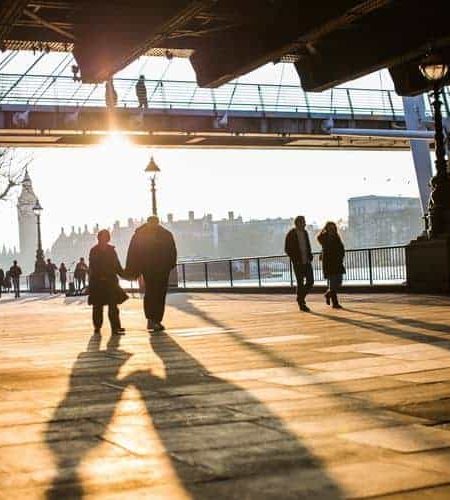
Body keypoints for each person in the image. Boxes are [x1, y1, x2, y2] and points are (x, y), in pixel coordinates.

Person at [125, 216, 177, 332]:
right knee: (156, 293)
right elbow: (172, 251)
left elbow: (133, 253)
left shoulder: (140, 235)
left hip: (152, 269)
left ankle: (153, 320)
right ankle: (154, 319)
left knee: (154, 293)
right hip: (157, 269)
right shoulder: (165, 234)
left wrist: (133, 269)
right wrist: (170, 265)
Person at [88, 229, 127, 335]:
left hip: (110, 281)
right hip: (98, 281)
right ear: (99, 238)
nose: (104, 239)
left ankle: (115, 327)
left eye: (106, 237)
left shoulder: (111, 250)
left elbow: (117, 265)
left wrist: (125, 275)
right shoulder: (94, 251)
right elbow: (92, 267)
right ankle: (97, 327)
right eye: (103, 237)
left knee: (113, 306)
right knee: (97, 307)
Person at [285, 215, 314, 312]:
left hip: (306, 261)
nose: (305, 224)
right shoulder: (291, 234)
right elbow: (287, 249)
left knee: (310, 281)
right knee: (300, 282)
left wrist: (310, 255)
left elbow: (307, 245)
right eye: (303, 222)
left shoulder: (305, 233)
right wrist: (294, 258)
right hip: (298, 262)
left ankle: (300, 297)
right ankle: (301, 303)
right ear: (298, 223)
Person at [317, 221, 345, 309]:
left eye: (333, 228)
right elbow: (323, 245)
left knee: (339, 282)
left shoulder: (337, 237)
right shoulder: (324, 238)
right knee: (333, 283)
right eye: (330, 228)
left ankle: (328, 294)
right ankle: (335, 303)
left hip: (337, 262)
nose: (332, 230)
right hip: (329, 263)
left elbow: (341, 248)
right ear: (327, 229)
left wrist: (341, 256)